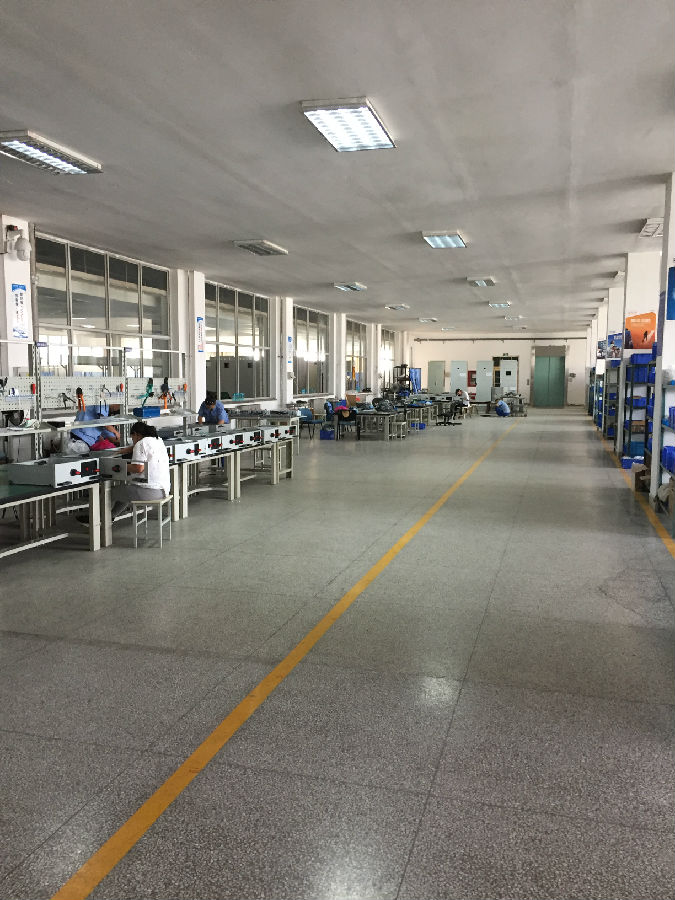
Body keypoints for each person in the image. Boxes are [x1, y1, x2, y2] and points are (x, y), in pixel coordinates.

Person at [77, 421, 170, 524]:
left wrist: (116, 466)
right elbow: (139, 448)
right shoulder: (157, 440)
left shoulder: (141, 443)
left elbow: (138, 468)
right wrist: (123, 451)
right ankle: (110, 517)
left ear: (136, 434)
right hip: (163, 490)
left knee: (108, 492)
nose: (133, 441)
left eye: (132, 438)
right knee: (126, 490)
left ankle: (95, 520)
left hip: (149, 492)